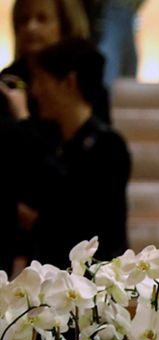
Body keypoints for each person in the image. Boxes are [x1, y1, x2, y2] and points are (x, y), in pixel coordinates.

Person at [15, 37, 129, 268]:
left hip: (94, 287)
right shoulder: (57, 143)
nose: (36, 92)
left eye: (42, 81)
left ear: (69, 82)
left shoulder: (108, 146)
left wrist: (40, 221)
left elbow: (87, 224)